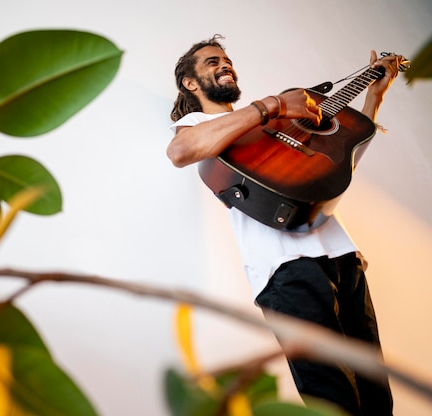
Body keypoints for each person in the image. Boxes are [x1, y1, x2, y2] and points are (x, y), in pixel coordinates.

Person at [167, 34, 404, 416]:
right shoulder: (206, 124)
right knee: (332, 398)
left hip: (343, 256)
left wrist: (373, 99)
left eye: (227, 59)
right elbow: (181, 151)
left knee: (377, 396)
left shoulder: (272, 124)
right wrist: (274, 104)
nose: (225, 64)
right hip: (285, 267)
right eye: (212, 62)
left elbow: (333, 168)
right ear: (190, 83)